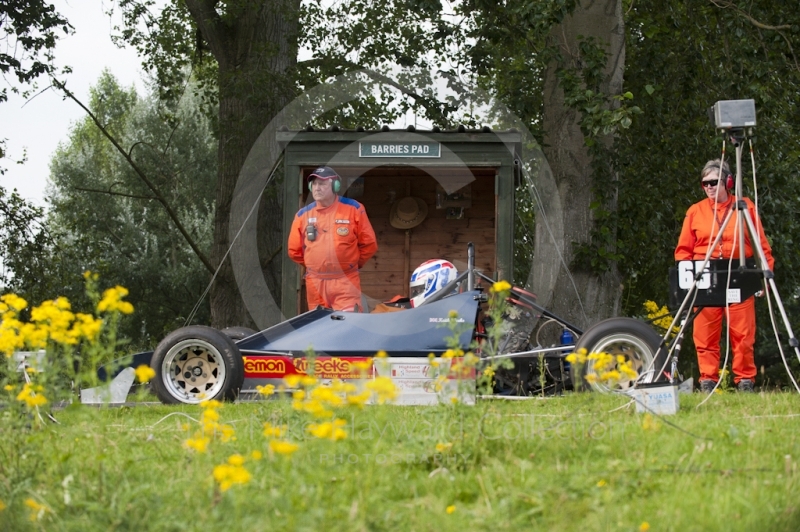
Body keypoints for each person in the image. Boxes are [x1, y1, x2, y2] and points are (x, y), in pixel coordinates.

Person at [674, 159, 774, 393]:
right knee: (704, 335)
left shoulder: (745, 207)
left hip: (740, 274)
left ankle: (745, 381)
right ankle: (708, 381)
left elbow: (761, 246)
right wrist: (687, 279)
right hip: (705, 277)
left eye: (713, 182)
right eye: (704, 183)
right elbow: (683, 252)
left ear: (728, 182)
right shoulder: (695, 211)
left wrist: (764, 277)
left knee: (743, 334)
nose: (708, 187)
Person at [288, 166, 378, 312]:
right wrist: (316, 265)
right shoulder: (302, 215)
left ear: (335, 186)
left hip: (346, 282)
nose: (317, 188)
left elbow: (369, 244)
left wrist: (350, 264)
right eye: (314, 184)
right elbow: (294, 251)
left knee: (348, 325)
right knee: (320, 328)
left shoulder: (354, 209)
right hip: (315, 283)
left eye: (322, 184)